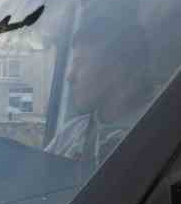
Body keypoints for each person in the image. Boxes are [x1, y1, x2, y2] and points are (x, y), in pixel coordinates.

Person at [46, 17, 156, 165]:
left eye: (81, 62)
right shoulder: (71, 133)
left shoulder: (154, 134)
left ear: (117, 69)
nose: (70, 76)